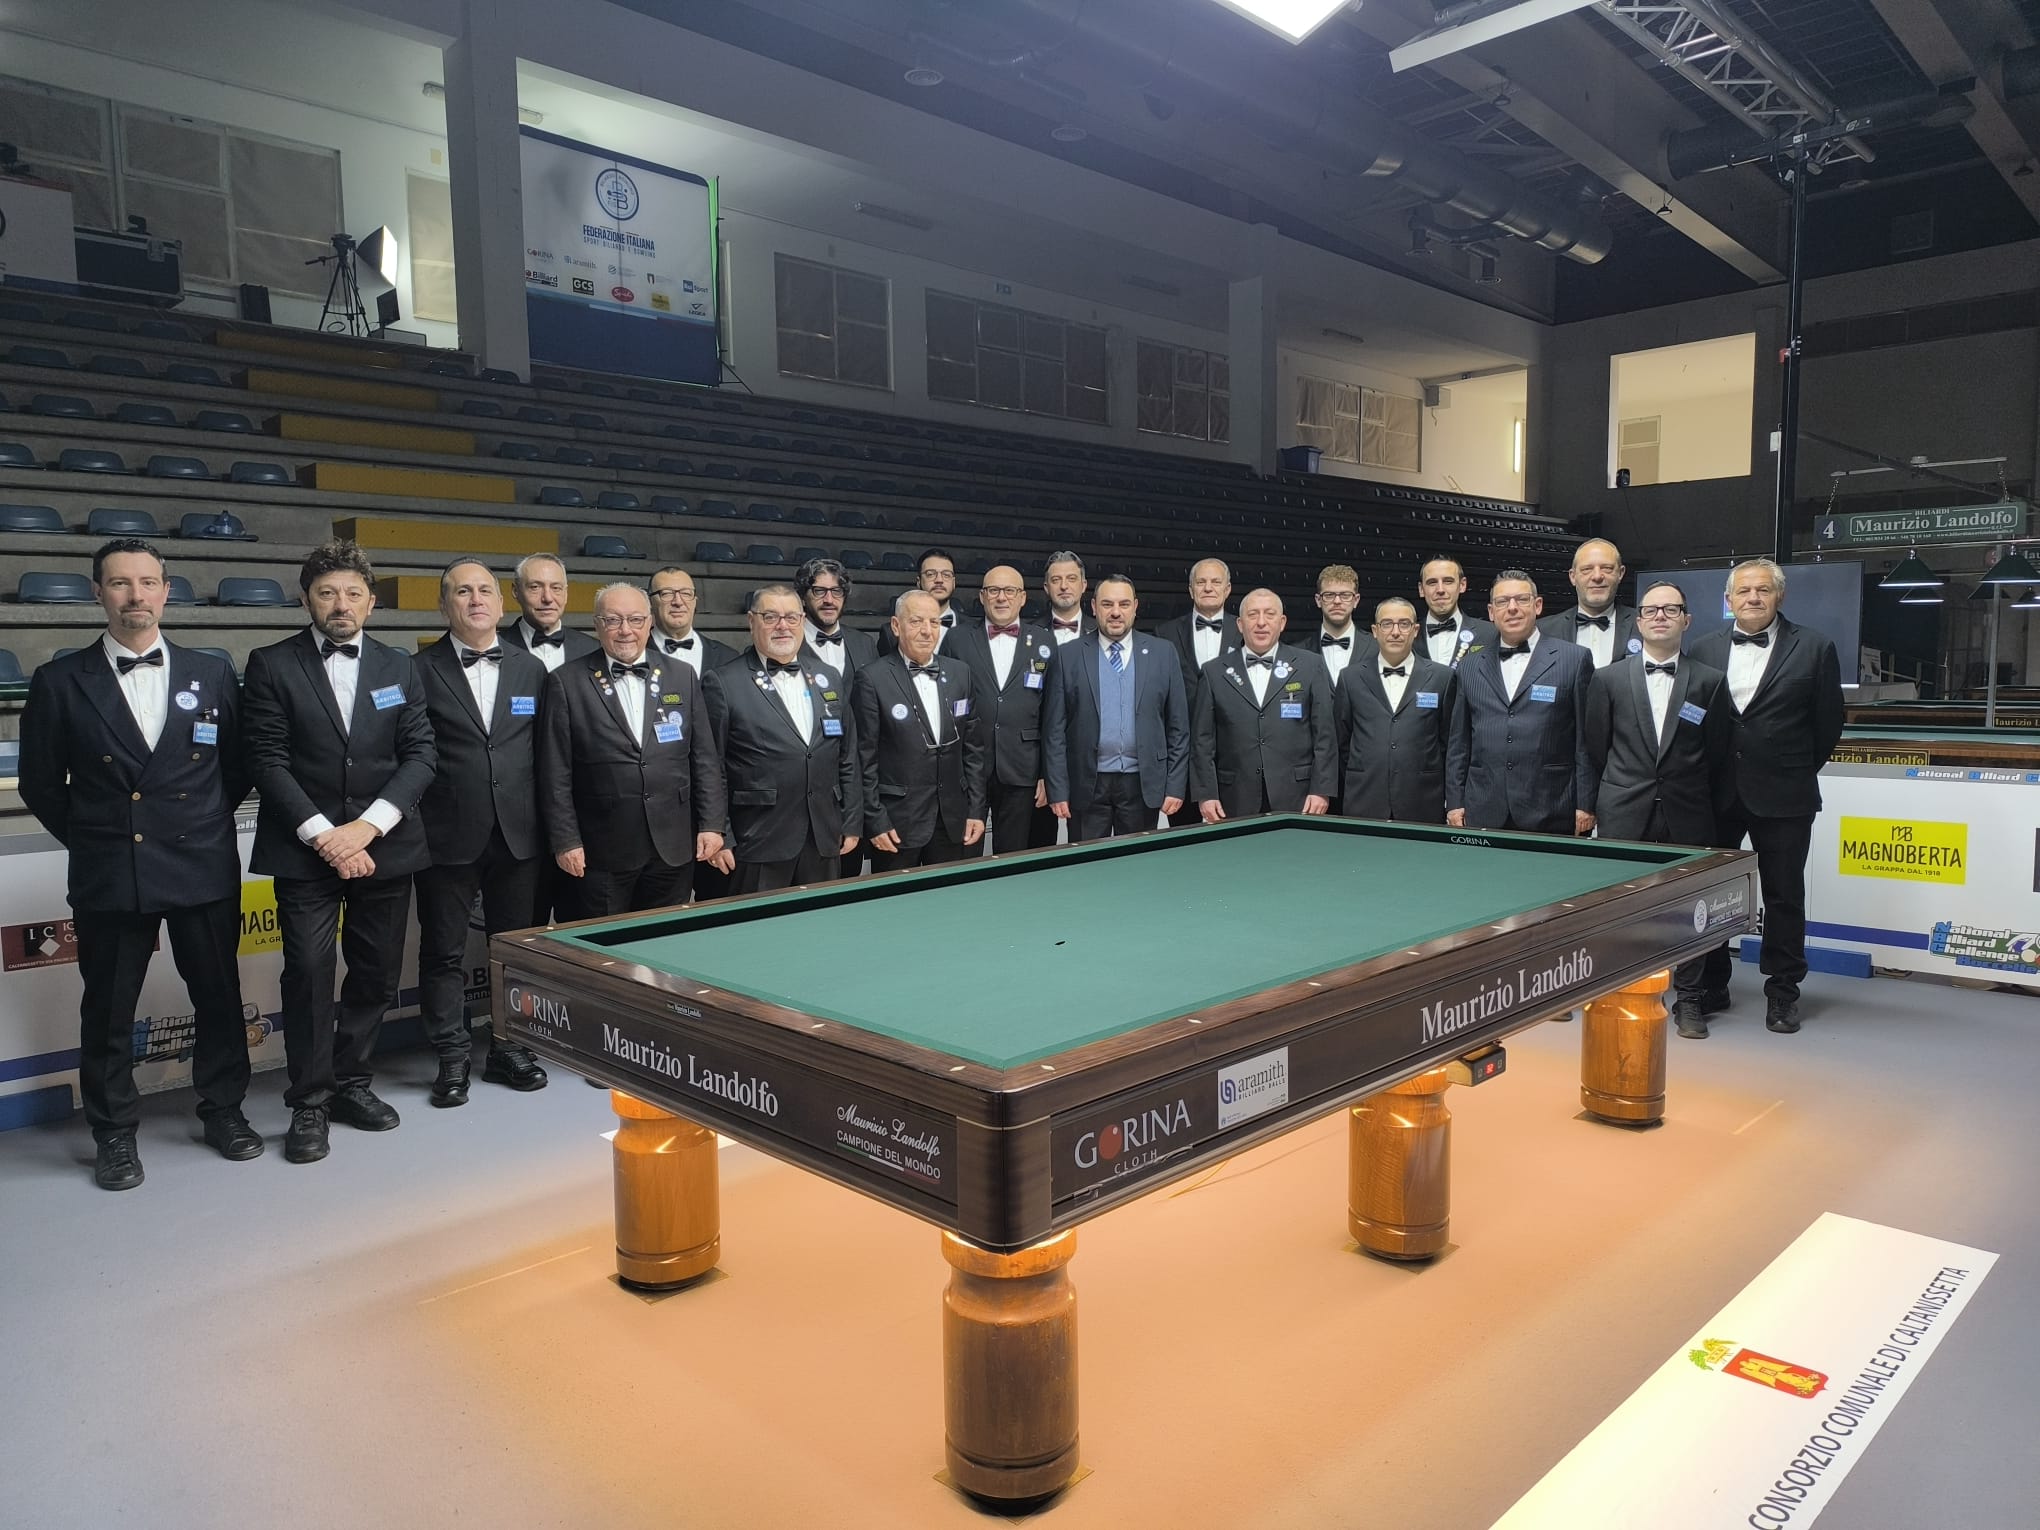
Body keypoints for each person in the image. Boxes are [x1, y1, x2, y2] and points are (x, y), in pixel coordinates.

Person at [18, 538, 257, 1190]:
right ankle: (114, 1133)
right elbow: (40, 783)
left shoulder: (212, 672)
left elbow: (237, 768)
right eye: (120, 583)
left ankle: (225, 1110)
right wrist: (103, 837)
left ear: (167, 591)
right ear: (98, 592)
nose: (135, 596)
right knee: (108, 1010)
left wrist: (196, 823)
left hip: (201, 862)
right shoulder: (61, 681)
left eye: (148, 582)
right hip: (111, 869)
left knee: (218, 996)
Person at [243, 541, 436, 1165]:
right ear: (307, 600)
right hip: (305, 850)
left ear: (371, 603)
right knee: (307, 971)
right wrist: (327, 835)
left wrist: (367, 829)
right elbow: (266, 760)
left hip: (384, 847)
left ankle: (352, 1082)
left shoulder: (400, 666)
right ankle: (309, 1100)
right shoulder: (271, 664)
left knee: (376, 971)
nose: (341, 604)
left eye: (353, 593)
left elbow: (420, 756)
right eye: (327, 593)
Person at [410, 559, 549, 1107]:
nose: (475, 600)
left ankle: (509, 1048)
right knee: (443, 952)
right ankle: (451, 1055)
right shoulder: (417, 670)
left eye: (484, 591)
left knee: (514, 950)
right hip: (446, 834)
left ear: (500, 601)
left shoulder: (531, 668)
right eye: (462, 592)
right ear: (444, 604)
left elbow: (544, 754)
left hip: (519, 834)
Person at [1689, 558, 1845, 1035]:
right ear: (1729, 599)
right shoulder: (1702, 647)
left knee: (1784, 895)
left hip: (1785, 793)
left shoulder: (1814, 647)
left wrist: (1790, 768)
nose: (1753, 598)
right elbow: (1693, 717)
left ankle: (1782, 992)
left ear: (1780, 596)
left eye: (1763, 590)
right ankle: (1712, 983)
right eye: (1743, 591)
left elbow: (1828, 724)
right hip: (1715, 791)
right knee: (1711, 893)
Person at [1583, 582, 1732, 1039]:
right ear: (1638, 621)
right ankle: (1620, 989)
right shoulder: (1608, 679)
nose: (1660, 616)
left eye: (1671, 609)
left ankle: (1690, 999)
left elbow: (1717, 753)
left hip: (1689, 811)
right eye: (1651, 610)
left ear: (1687, 619)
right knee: (1621, 908)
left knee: (1691, 909)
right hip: (1624, 808)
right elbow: (1596, 747)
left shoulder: (1709, 681)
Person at [537, 584, 727, 919]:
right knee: (603, 943)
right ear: (597, 624)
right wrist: (566, 841)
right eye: (613, 620)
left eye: (635, 620)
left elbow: (704, 759)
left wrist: (712, 824)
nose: (625, 630)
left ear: (650, 622)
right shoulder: (566, 681)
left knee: (664, 940)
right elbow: (555, 773)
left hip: (672, 846)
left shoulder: (682, 675)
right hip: (601, 851)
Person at [701, 584, 862, 893]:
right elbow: (711, 767)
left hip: (823, 836)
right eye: (770, 617)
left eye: (791, 617)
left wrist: (851, 821)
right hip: (756, 840)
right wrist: (720, 832)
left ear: (802, 620)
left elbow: (847, 755)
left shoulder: (828, 676)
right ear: (751, 621)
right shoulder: (723, 683)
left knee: (821, 919)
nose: (782, 626)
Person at [1446, 569, 1597, 836]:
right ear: (1491, 612)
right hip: (1483, 806)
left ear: (1537, 605)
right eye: (1503, 601)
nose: (1512, 608)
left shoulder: (1574, 659)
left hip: (1552, 806)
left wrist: (1586, 803)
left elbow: (1585, 742)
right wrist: (1455, 801)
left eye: (1521, 599)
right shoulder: (1469, 666)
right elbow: (1459, 742)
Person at [1043, 575, 1189, 841]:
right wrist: (1057, 789)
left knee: (1138, 862)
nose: (1116, 612)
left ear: (1135, 607)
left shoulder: (1163, 653)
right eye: (1107, 604)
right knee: (1088, 861)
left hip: (1142, 782)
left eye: (1123, 604)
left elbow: (1178, 727)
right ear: (1094, 607)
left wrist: (1175, 785)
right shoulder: (1068, 655)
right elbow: (1054, 731)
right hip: (1086, 783)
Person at [853, 592, 989, 871]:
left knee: (949, 895)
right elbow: (864, 758)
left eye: (934, 622)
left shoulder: (961, 673)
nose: (927, 631)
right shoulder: (872, 678)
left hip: (952, 819)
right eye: (916, 622)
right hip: (897, 822)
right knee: (896, 898)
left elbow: (973, 749)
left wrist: (976, 809)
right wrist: (875, 819)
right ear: (896, 626)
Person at [1189, 589, 1336, 821]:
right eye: (1252, 615)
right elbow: (1202, 741)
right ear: (1240, 624)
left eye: (1269, 614)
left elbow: (1324, 735)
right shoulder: (1213, 671)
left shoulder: (1310, 665)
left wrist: (1321, 789)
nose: (1261, 622)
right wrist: (1206, 794)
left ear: (1282, 622)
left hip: (1297, 794)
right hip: (1233, 796)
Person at [942, 564, 1057, 853]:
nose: (1001, 597)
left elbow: (1052, 713)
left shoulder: (1044, 640)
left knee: (1013, 854)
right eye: (993, 590)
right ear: (982, 596)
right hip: (968, 767)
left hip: (1023, 767)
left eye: (1009, 591)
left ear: (1023, 597)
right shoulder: (956, 639)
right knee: (965, 853)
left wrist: (1047, 774)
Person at [1334, 597, 1456, 823]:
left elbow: (1448, 742)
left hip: (1423, 799)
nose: (1395, 632)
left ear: (1415, 630)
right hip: (1364, 798)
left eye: (1404, 624)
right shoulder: (1350, 678)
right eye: (1387, 624)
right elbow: (1342, 742)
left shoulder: (1442, 677)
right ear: (1375, 631)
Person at [1537, 538, 1640, 668]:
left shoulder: (1644, 624)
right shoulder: (1543, 630)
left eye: (1607, 568)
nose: (1597, 576)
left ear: (1620, 573)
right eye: (1587, 569)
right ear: (1573, 576)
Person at [498, 553, 599, 670]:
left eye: (556, 588)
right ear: (516, 591)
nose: (548, 598)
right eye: (535, 587)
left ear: (566, 594)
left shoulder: (593, 648)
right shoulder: (495, 648)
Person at [1155, 558, 1239, 699]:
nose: (1208, 588)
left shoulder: (1244, 630)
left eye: (1216, 582)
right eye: (1200, 582)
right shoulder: (1165, 633)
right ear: (1191, 590)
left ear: (1227, 589)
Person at [647, 565, 738, 676]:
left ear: (695, 601)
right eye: (666, 594)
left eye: (686, 593)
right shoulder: (634, 654)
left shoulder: (728, 657)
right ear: (650, 603)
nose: (678, 602)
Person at [1297, 563, 1378, 686]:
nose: (1337, 601)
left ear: (1356, 600)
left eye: (1345, 595)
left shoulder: (1377, 647)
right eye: (1329, 595)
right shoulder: (1299, 652)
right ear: (1318, 600)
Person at [797, 556, 878, 675]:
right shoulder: (788, 641)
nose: (829, 600)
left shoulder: (865, 643)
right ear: (803, 597)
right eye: (819, 591)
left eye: (836, 591)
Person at [1417, 556, 1498, 669]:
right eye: (1432, 582)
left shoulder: (1491, 633)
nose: (1440, 590)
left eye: (1448, 581)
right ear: (1421, 589)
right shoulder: (1408, 636)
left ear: (1462, 585)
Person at [878, 549, 959, 654]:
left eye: (946, 575)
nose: (939, 580)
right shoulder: (890, 632)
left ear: (953, 583)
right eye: (930, 574)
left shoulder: (975, 629)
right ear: (918, 581)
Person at [1042, 551, 1093, 646]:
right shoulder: (1029, 631)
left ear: (1083, 585)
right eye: (1056, 580)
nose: (1064, 586)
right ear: (1046, 588)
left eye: (1071, 579)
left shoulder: (1099, 631)